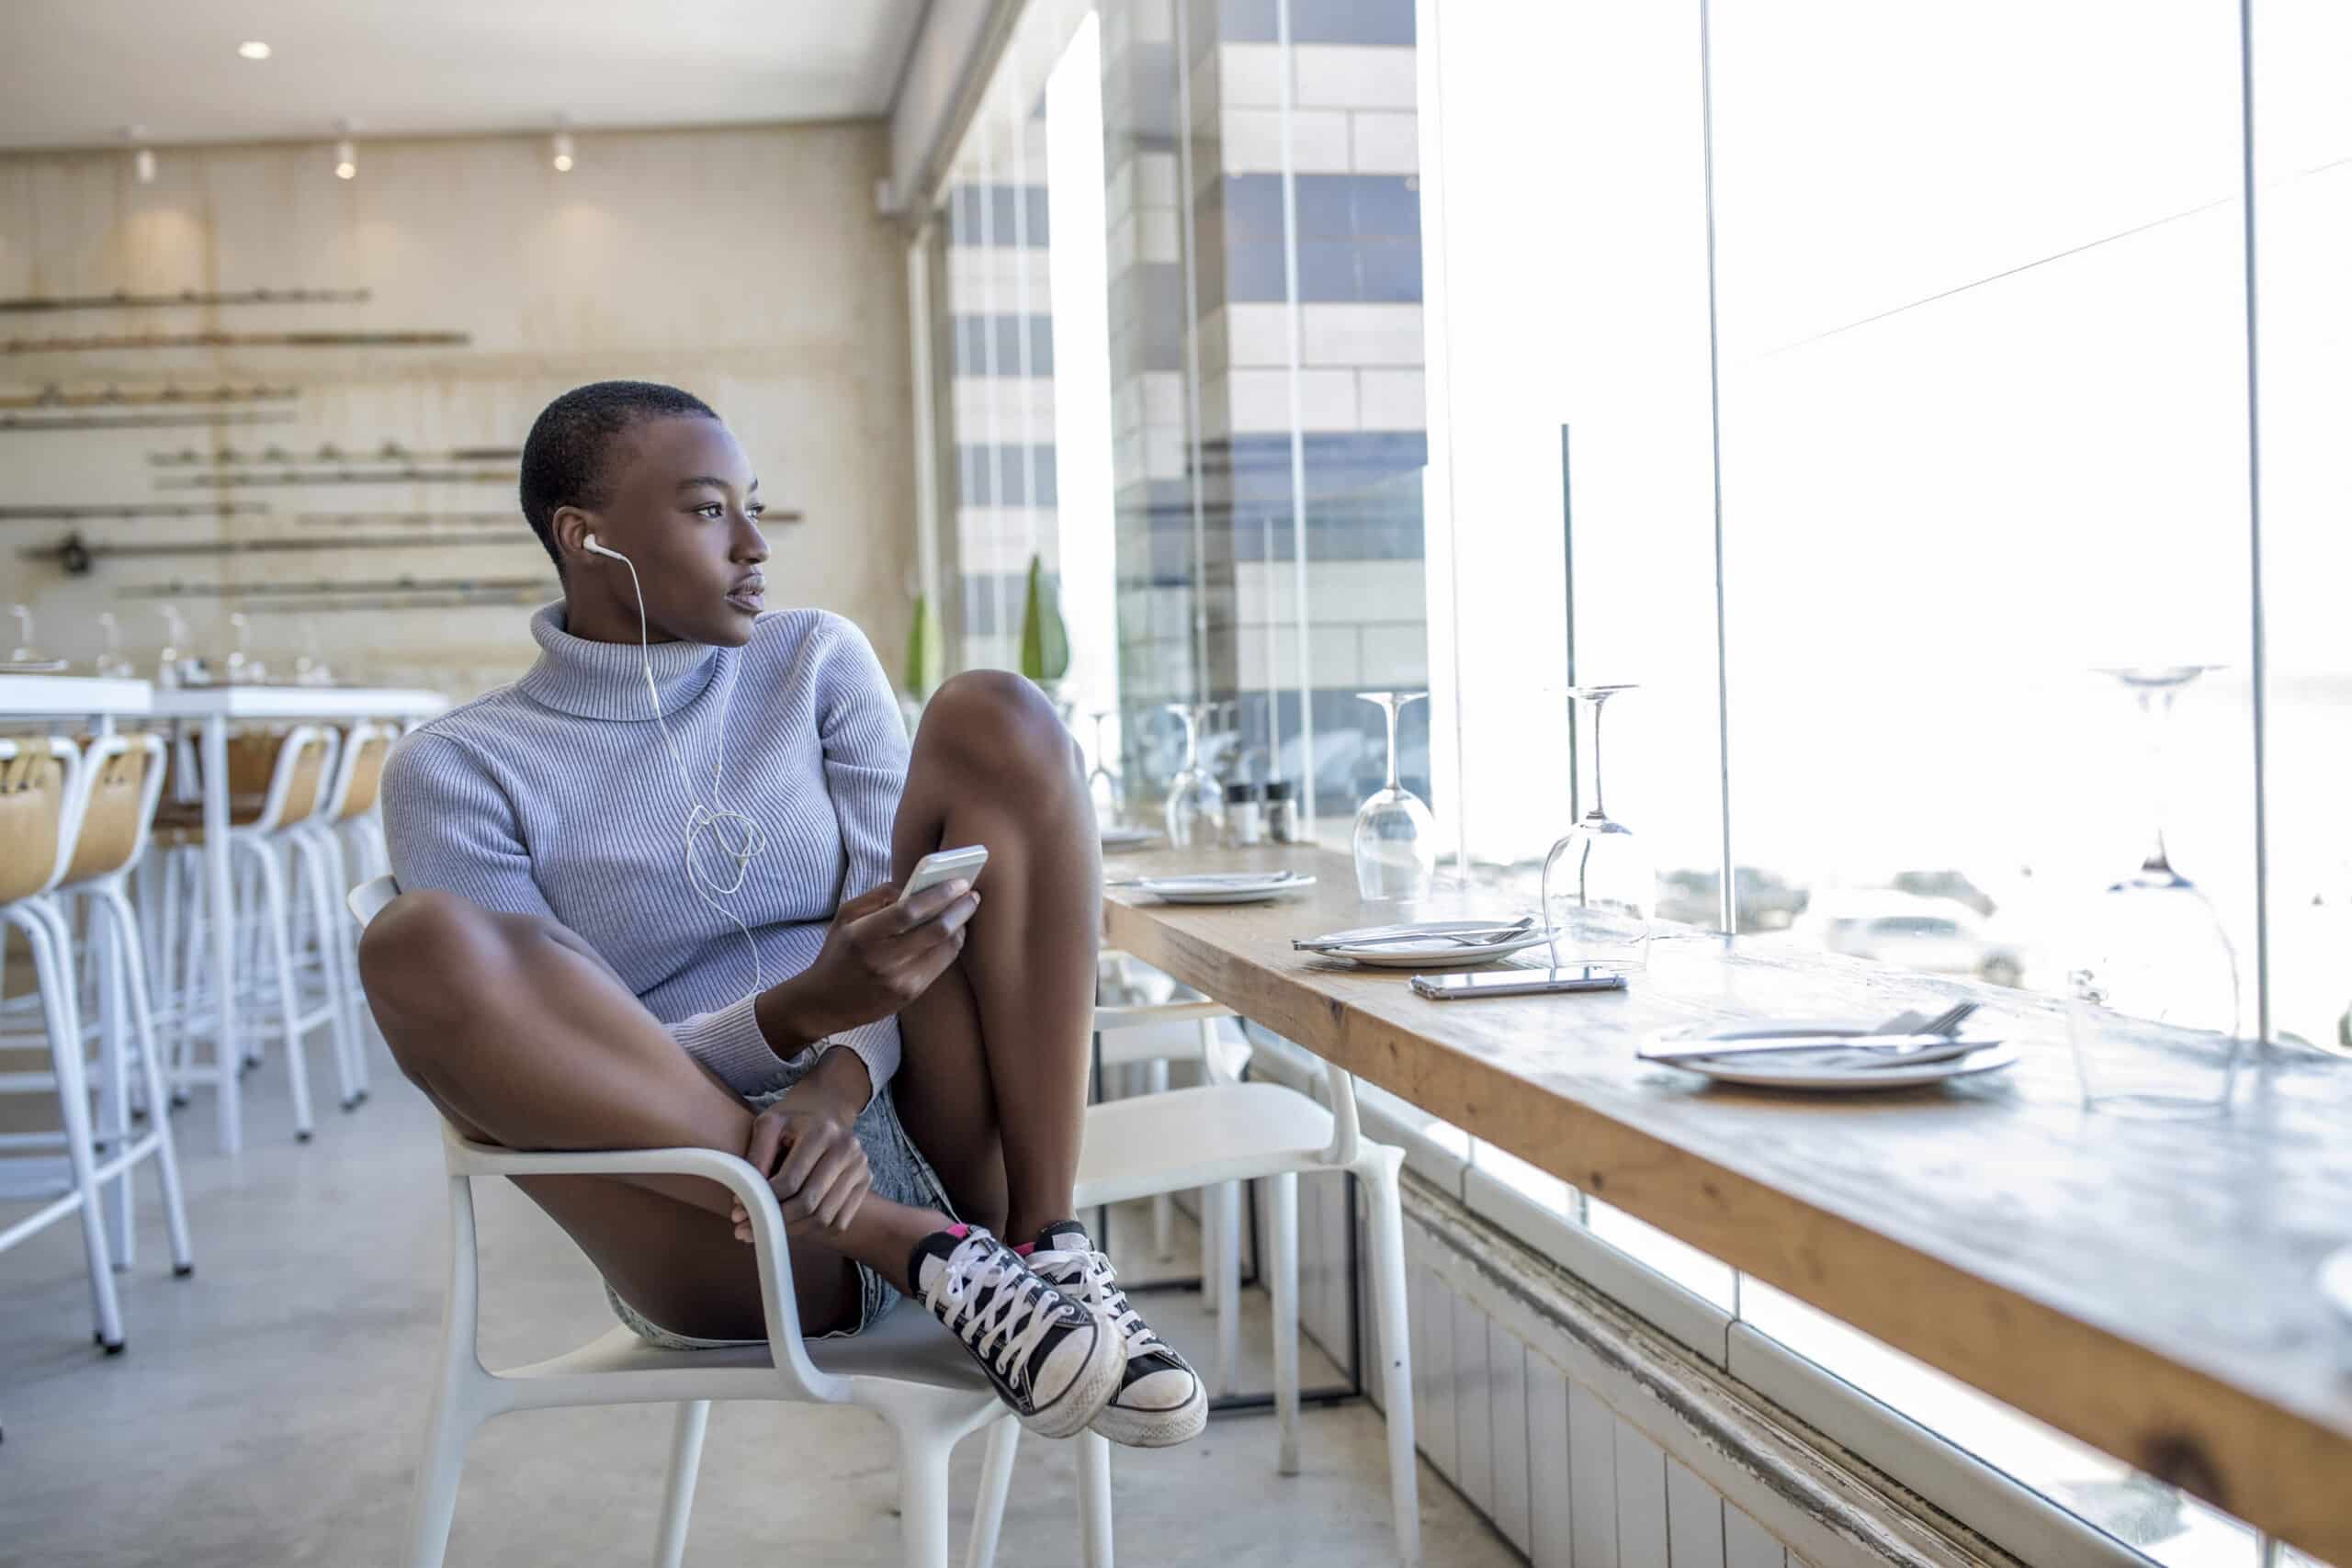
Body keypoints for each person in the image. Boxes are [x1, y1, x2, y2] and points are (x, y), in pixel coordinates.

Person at [359, 380, 1204, 1448]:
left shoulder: (812, 663)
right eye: (708, 510)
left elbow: (903, 926)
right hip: (716, 1214)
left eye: (751, 505)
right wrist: (789, 1019)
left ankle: (1045, 1255)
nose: (754, 543)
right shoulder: (462, 767)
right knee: (417, 945)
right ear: (584, 538)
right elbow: (558, 1062)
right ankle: (904, 1243)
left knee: (999, 712)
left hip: (931, 1127)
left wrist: (835, 1082)